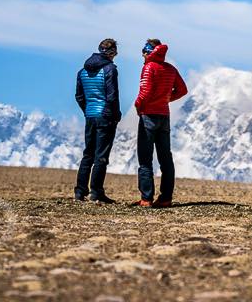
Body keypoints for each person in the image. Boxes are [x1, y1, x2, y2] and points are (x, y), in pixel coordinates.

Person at [134, 38, 188, 207]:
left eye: (144, 50)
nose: (142, 54)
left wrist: (138, 106)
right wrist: (166, 99)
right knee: (166, 158)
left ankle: (146, 198)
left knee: (145, 158)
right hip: (164, 115)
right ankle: (166, 198)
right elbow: (182, 90)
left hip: (148, 115)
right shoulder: (170, 69)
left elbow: (145, 92)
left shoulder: (149, 67)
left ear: (149, 51)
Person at [74, 38, 121, 204]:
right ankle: (96, 192)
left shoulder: (82, 71)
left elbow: (79, 96)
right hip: (105, 116)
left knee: (88, 154)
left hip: (90, 115)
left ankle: (80, 192)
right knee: (101, 156)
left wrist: (87, 110)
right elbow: (112, 96)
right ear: (111, 53)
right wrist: (115, 115)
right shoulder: (110, 69)